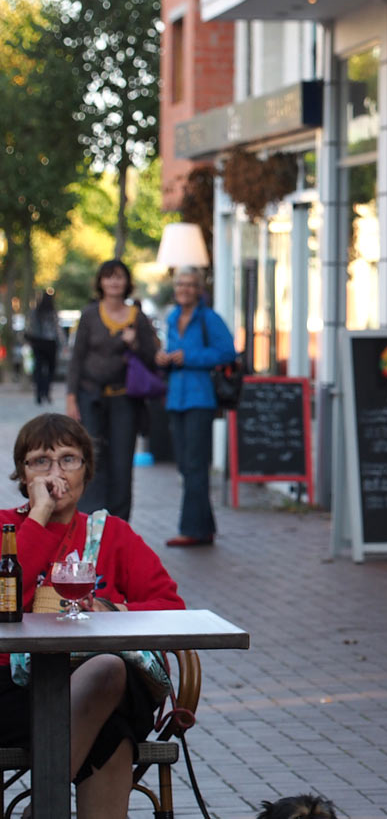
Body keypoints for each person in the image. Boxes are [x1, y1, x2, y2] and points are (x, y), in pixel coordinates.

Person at [0, 413, 184, 819]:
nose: (56, 472)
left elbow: (171, 608)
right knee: (112, 734)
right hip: (14, 692)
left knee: (106, 672)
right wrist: (40, 517)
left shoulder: (112, 534)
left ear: (87, 470)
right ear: (22, 474)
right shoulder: (7, 528)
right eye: (40, 461)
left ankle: (41, 809)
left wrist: (115, 609)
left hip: (105, 683)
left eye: (69, 459)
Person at [66, 260, 160, 522]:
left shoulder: (137, 317)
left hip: (125, 401)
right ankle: (90, 521)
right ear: (101, 282)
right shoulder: (90, 314)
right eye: (108, 277)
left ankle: (119, 526)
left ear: (127, 282)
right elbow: (77, 358)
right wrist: (71, 398)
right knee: (92, 459)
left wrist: (135, 343)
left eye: (119, 277)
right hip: (90, 397)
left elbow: (151, 359)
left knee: (121, 464)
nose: (114, 282)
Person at [155, 267, 235, 548]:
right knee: (186, 466)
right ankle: (204, 528)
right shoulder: (173, 317)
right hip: (175, 398)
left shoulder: (209, 319)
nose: (184, 289)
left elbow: (227, 352)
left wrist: (189, 356)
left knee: (195, 464)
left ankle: (191, 529)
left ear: (199, 289)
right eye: (180, 284)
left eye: (190, 284)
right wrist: (164, 357)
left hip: (200, 399)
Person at [26, 290, 63, 405]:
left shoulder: (36, 312)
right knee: (49, 370)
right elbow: (58, 330)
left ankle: (39, 394)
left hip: (38, 344)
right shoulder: (53, 312)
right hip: (50, 344)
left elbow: (30, 328)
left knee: (39, 370)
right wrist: (62, 343)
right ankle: (46, 393)